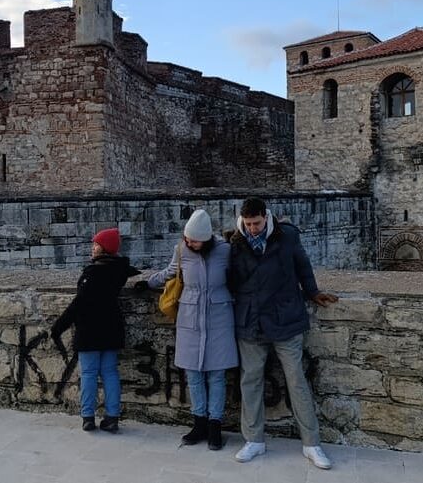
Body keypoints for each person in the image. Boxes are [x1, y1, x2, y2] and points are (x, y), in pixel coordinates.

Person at [228, 197, 338, 469]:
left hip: (285, 315)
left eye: (256, 223)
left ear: (266, 217)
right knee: (250, 380)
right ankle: (253, 439)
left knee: (296, 380)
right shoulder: (235, 241)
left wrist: (313, 292)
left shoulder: (287, 236)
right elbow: (229, 277)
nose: (252, 229)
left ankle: (311, 443)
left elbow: (302, 265)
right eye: (248, 224)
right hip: (251, 319)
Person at [142, 209, 238, 450]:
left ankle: (215, 425)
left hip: (219, 316)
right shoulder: (181, 250)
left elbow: (239, 277)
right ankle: (199, 422)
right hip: (190, 315)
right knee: (193, 374)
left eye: (194, 240)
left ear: (205, 238)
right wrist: (148, 282)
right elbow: (171, 272)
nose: (189, 243)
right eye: (187, 238)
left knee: (216, 375)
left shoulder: (225, 251)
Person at [51, 227, 140, 433]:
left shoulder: (93, 273)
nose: (92, 248)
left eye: (96, 244)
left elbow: (79, 303)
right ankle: (112, 417)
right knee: (110, 373)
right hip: (111, 326)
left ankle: (88, 417)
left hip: (90, 329)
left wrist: (59, 327)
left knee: (89, 373)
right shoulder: (119, 271)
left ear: (104, 248)